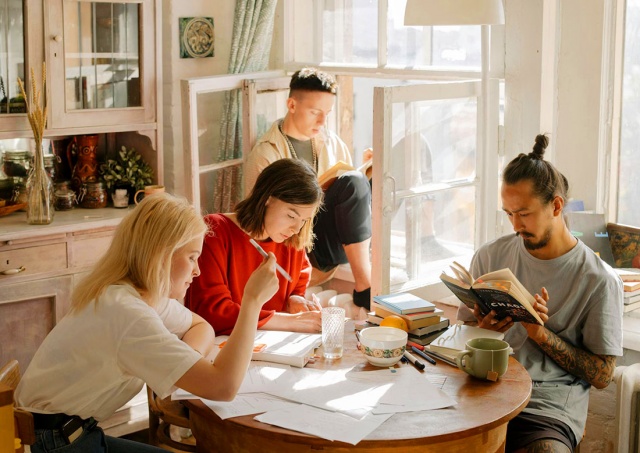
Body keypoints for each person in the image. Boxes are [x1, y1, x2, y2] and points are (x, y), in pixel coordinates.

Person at [15, 193, 279, 453]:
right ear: (161, 254)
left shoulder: (134, 294)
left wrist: (188, 362)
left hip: (68, 432)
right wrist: (252, 302)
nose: (197, 270)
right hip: (54, 442)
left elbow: (201, 326)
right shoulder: (127, 314)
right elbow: (223, 387)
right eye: (191, 257)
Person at [457, 134, 623, 453]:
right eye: (508, 213)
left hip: (545, 411)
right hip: (483, 392)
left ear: (556, 205)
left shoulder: (599, 279)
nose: (515, 225)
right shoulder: (489, 257)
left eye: (524, 213)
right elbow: (461, 339)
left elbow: (602, 375)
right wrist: (483, 331)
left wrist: (540, 334)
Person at [244, 67, 373, 309]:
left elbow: (349, 202)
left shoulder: (332, 142)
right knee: (354, 183)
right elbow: (258, 223)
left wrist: (368, 169)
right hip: (299, 246)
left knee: (375, 173)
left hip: (335, 243)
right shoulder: (266, 153)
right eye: (315, 112)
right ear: (291, 105)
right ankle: (365, 286)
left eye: (327, 112)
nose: (322, 121)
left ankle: (368, 274)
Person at [186, 158, 325, 335]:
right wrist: (291, 322)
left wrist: (294, 299)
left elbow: (299, 279)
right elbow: (213, 312)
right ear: (267, 198)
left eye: (303, 221)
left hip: (271, 346)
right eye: (291, 216)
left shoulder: (289, 239)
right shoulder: (215, 232)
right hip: (222, 347)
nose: (296, 228)